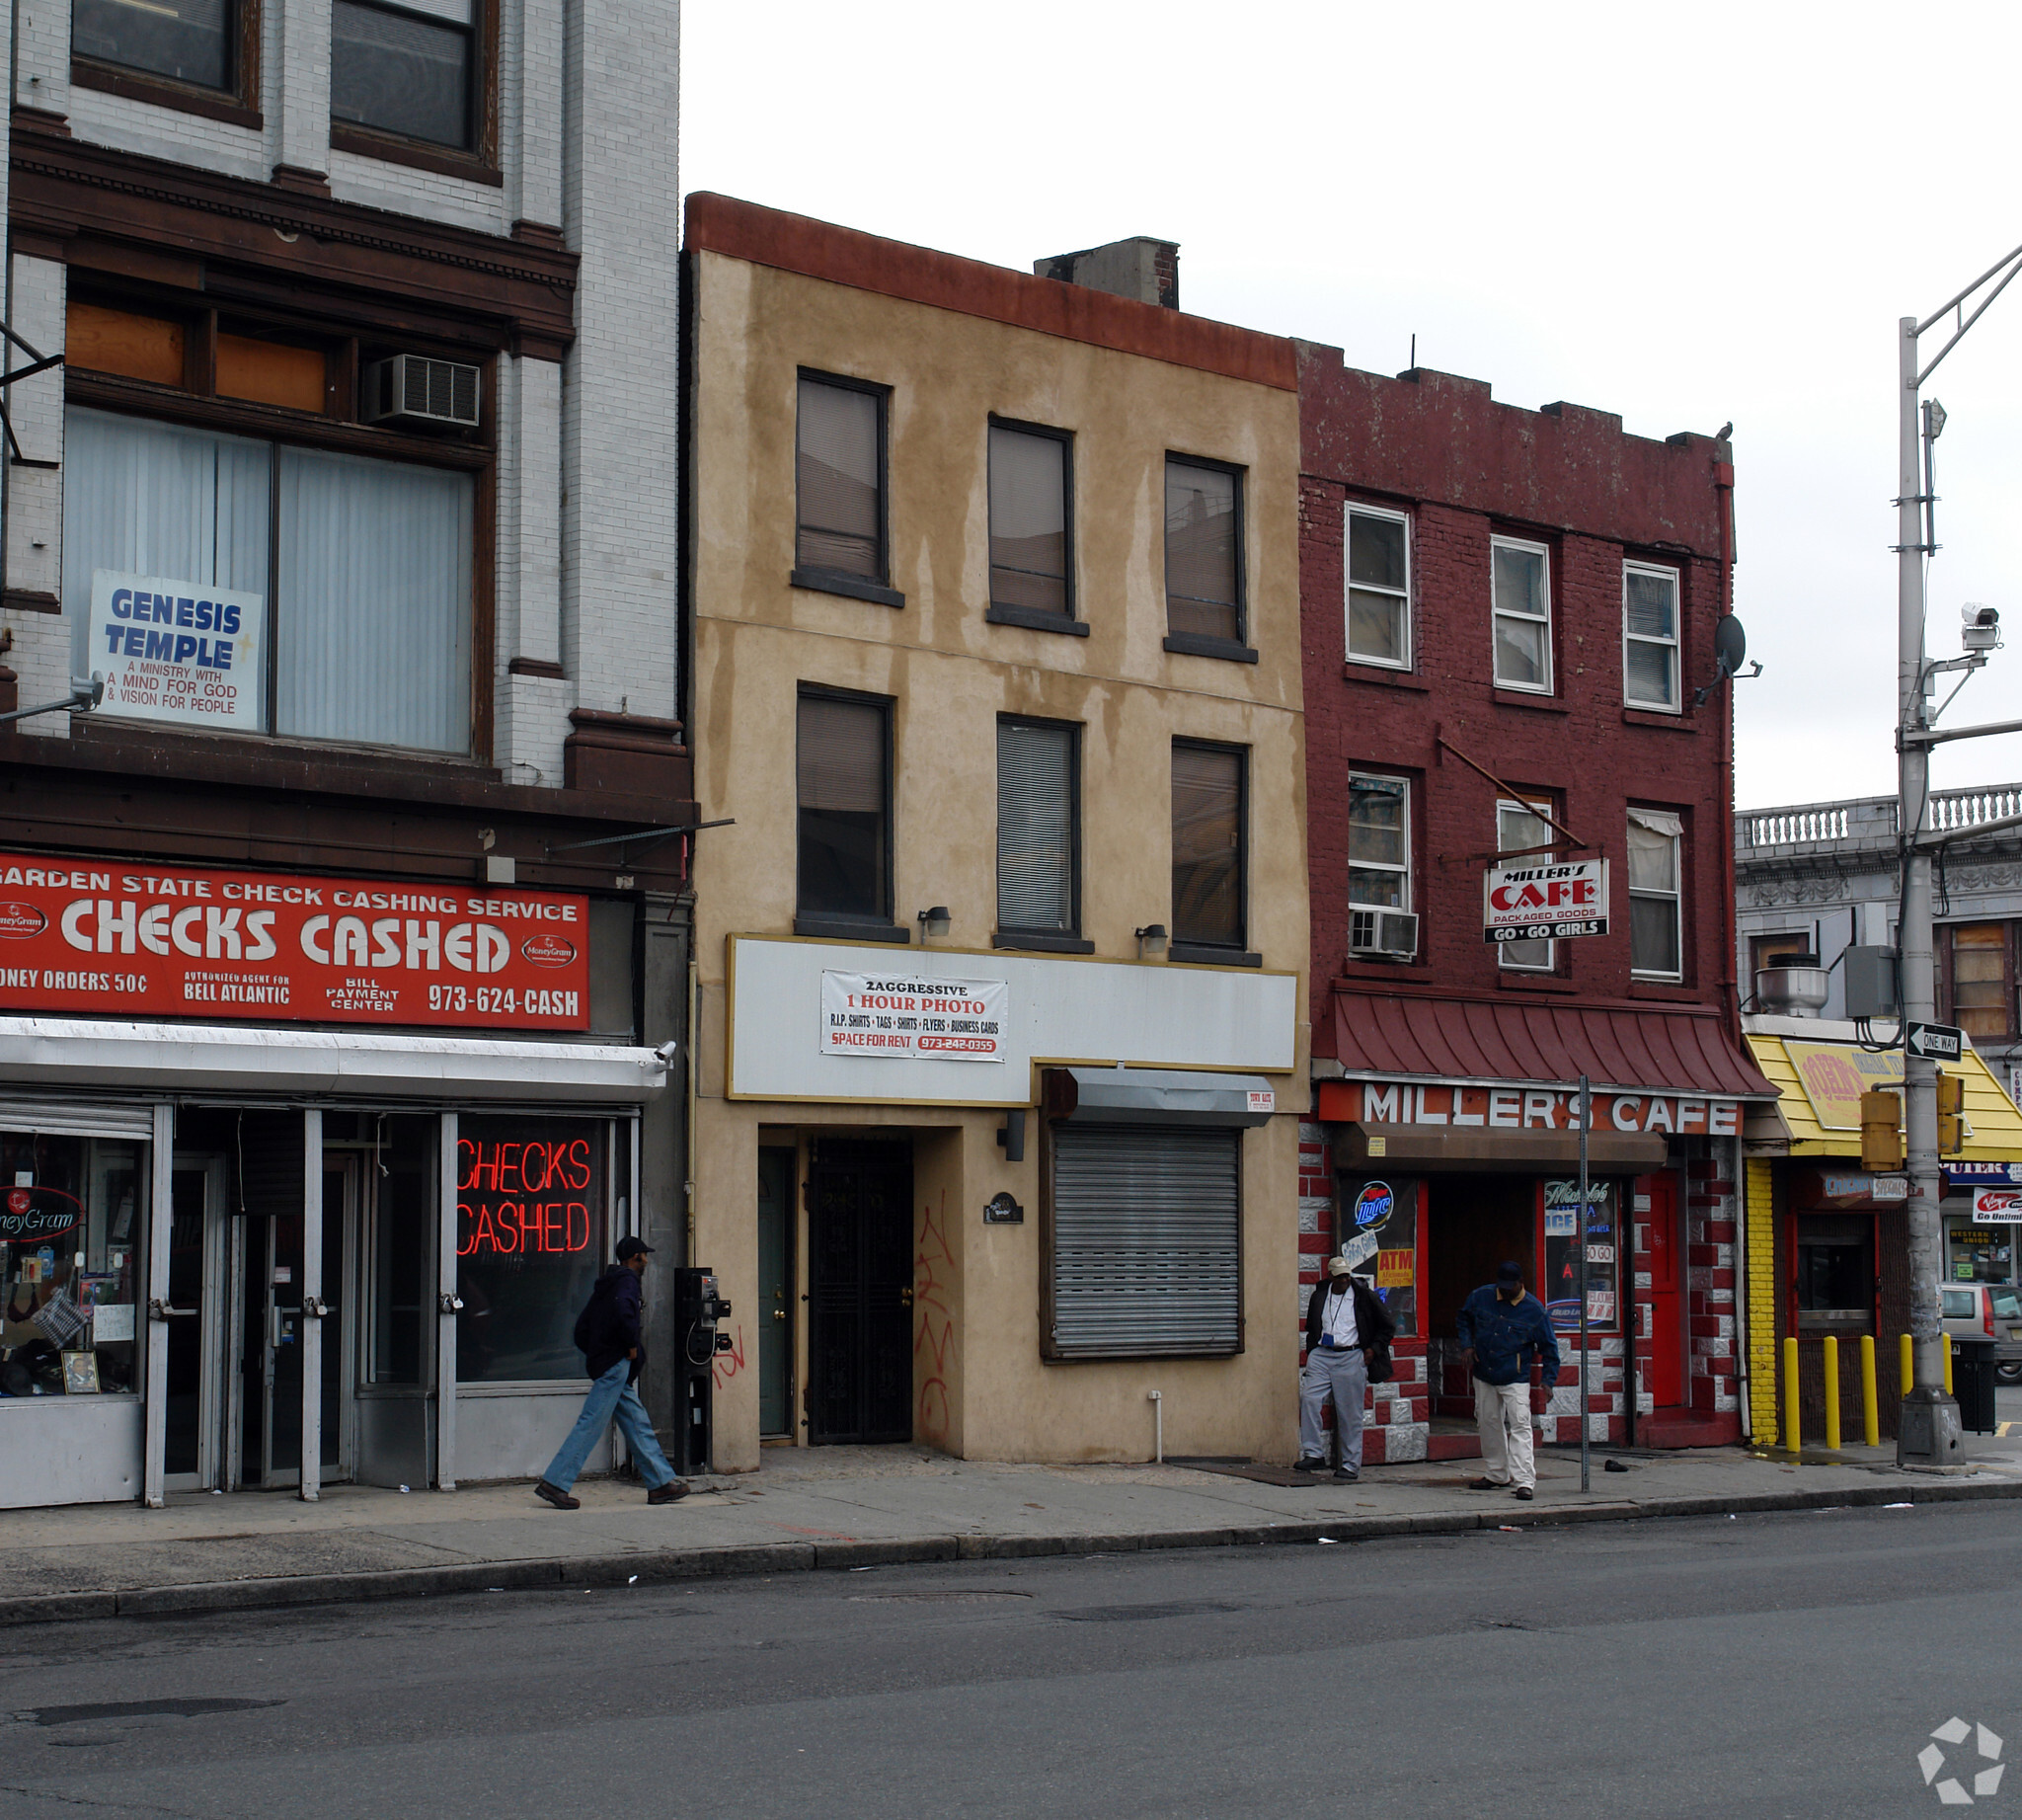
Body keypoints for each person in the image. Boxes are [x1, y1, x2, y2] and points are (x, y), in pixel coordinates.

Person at [535, 1236, 688, 1509]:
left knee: (636, 1421)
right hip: (615, 1364)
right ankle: (555, 1483)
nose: (647, 1261)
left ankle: (661, 1483)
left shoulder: (607, 1284)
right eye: (644, 1255)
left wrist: (596, 1351)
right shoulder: (627, 1281)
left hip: (607, 1362)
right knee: (591, 1422)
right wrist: (629, 1345)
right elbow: (623, 1313)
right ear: (635, 1257)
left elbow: (582, 1327)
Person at [1456, 1259, 1561, 1501]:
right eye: (1501, 1286)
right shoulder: (1481, 1296)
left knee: (1520, 1424)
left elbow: (1549, 1348)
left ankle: (1525, 1480)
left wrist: (1548, 1380)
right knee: (1488, 1422)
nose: (1503, 1291)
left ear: (1520, 1283)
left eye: (1509, 1287)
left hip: (1515, 1375)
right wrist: (1467, 1345)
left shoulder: (1534, 1310)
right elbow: (1463, 1318)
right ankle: (1497, 1473)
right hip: (1484, 1371)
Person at [1294, 1256, 1395, 1481]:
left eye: (1346, 1275)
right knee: (1309, 1399)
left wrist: (1373, 1349)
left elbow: (1387, 1325)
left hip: (1351, 1354)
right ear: (1330, 1276)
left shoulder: (1363, 1296)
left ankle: (1350, 1465)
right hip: (1322, 1354)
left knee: (1350, 1413)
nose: (1344, 1280)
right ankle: (1314, 1452)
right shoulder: (1320, 1295)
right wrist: (1312, 1350)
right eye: (1339, 1276)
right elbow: (1312, 1325)